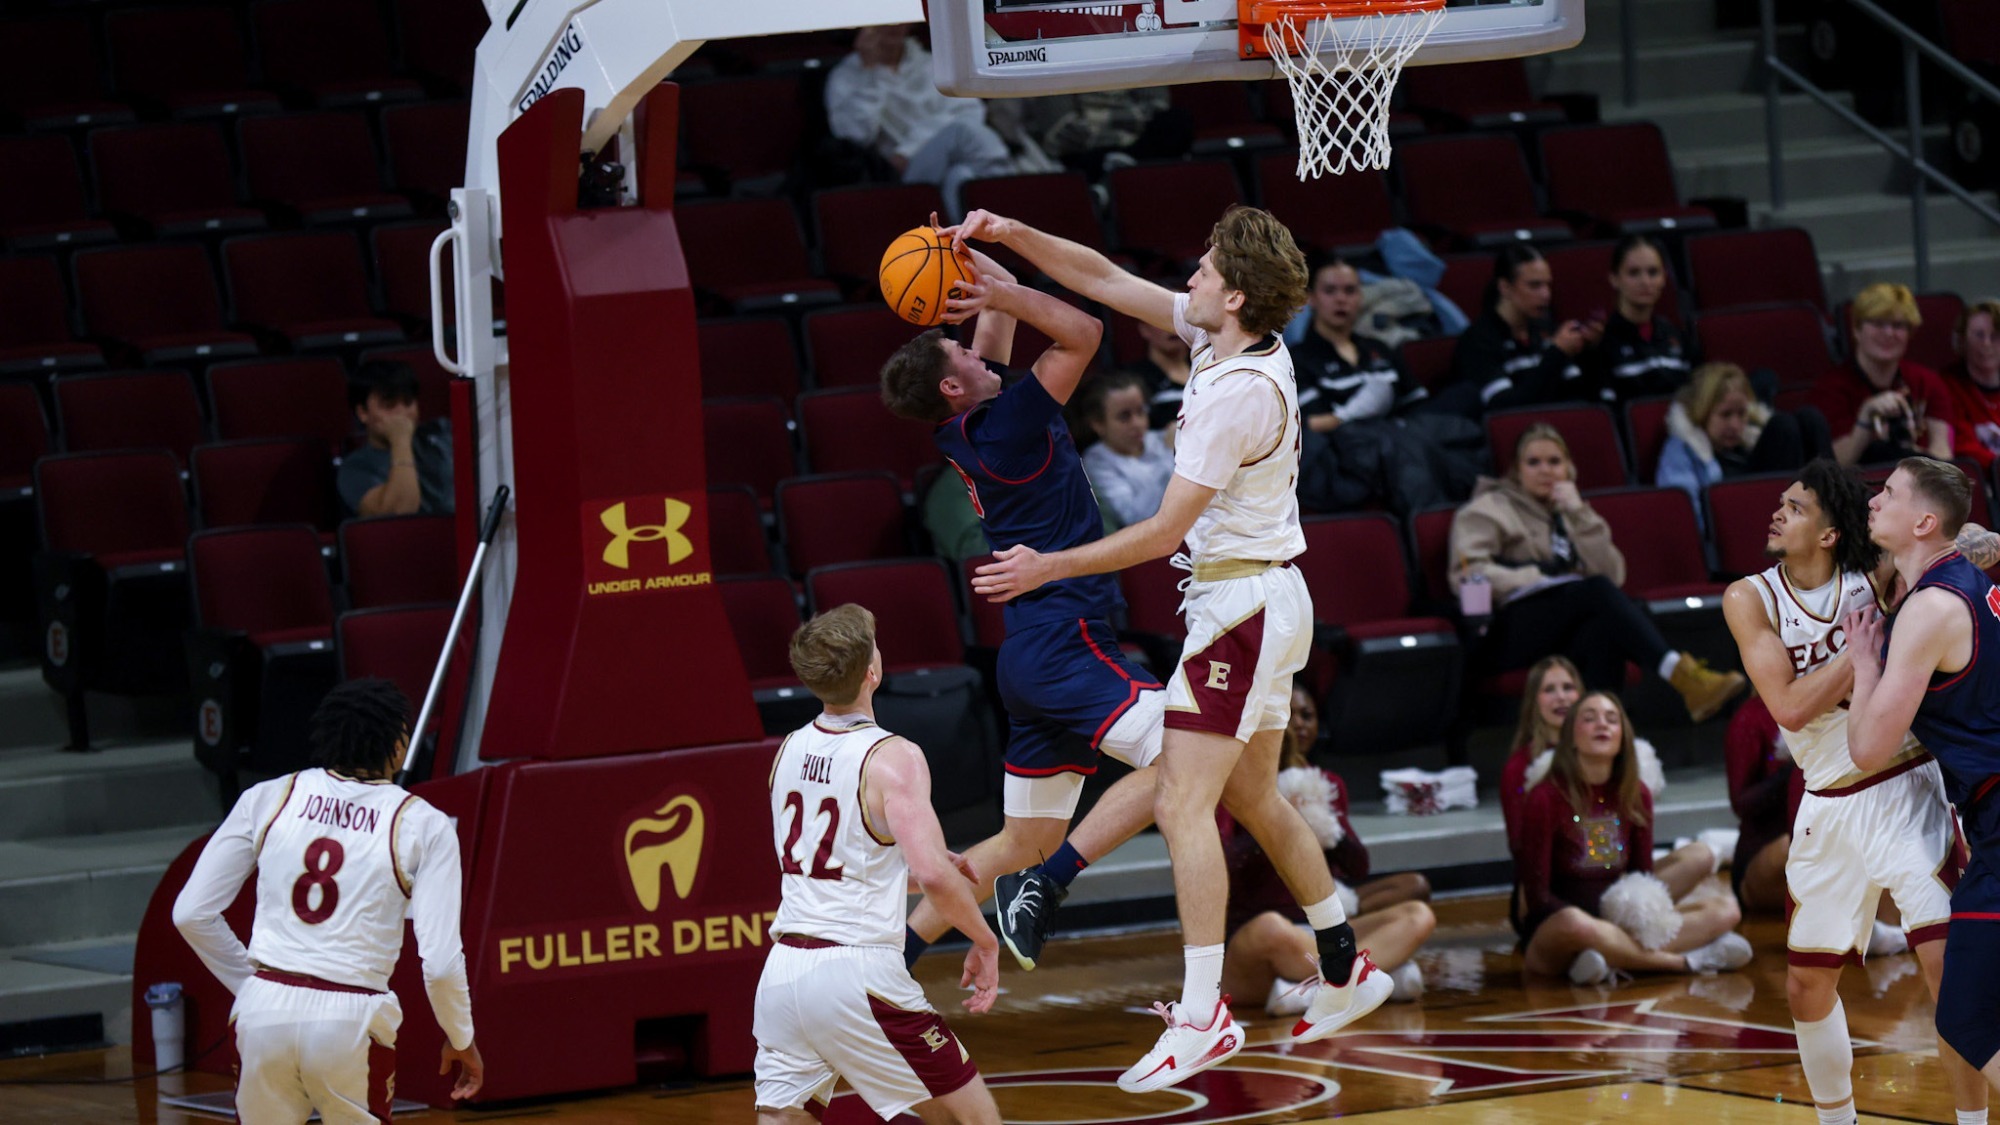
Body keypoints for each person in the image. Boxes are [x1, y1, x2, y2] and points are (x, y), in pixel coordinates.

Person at [953, 203, 1390, 1093]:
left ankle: (1202, 1015)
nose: (1187, 275)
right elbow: (1106, 280)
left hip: (1241, 605)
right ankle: (1345, 964)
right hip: (1261, 595)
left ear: (1232, 292)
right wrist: (1012, 237)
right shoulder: (1220, 334)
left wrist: (1047, 567)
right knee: (1257, 795)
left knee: (1187, 805)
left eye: (1201, 267)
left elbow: (1160, 532)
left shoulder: (1237, 394)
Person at [880, 248, 1162, 975]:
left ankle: (895, 956)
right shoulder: (1008, 424)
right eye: (962, 349)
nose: (980, 348)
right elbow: (1083, 332)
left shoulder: (968, 422)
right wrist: (1008, 287)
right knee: (1193, 751)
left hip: (1029, 654)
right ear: (953, 383)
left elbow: (990, 337)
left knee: (1017, 838)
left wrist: (976, 263)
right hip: (1068, 641)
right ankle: (1051, 882)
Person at [1723, 457, 1988, 1125]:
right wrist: (1868, 647)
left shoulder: (1879, 573)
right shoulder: (1750, 597)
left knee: (1947, 975)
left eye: (1796, 505)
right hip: (1829, 801)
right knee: (1806, 984)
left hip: (1906, 786)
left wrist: (1956, 561)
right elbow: (1786, 705)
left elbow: (1969, 536)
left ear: (1830, 532)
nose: (1777, 512)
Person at [173, 679, 482, 1122]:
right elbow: (439, 962)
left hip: (263, 1008)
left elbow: (190, 913)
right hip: (350, 1019)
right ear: (398, 743)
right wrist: (461, 1035)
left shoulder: (268, 796)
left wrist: (255, 986)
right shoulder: (424, 825)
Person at [752, 604, 1001, 1125]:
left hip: (782, 973)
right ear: (873, 672)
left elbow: (830, 862)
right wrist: (984, 939)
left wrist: (899, 864)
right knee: (973, 1120)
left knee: (784, 1119)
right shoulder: (894, 757)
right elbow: (935, 876)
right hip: (855, 971)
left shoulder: (786, 750)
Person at [1849, 457, 2000, 1095]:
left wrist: (1863, 665)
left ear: (1925, 520)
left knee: (1967, 1017)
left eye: (1889, 493)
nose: (1874, 501)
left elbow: (1868, 748)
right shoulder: (1967, 580)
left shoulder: (1930, 608)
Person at [1448, 422, 1747, 719]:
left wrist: (1579, 514)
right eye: (1533, 462)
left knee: (1604, 631)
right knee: (1594, 592)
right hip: (1501, 632)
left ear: (1568, 468)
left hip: (1561, 626)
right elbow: (1468, 573)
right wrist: (1538, 579)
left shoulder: (1570, 511)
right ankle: (1680, 674)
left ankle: (1595, 735)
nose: (1545, 470)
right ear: (1516, 469)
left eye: (1554, 461)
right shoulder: (1487, 509)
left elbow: (1613, 574)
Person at [1515, 690, 1753, 984]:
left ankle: (1608, 960)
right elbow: (1538, 897)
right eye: (1589, 719)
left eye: (1611, 720)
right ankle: (1685, 962)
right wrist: (1598, 929)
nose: (1602, 725)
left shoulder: (1636, 793)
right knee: (1575, 924)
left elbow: (1641, 878)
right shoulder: (1545, 798)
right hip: (1557, 932)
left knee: (1725, 910)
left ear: (1623, 737)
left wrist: (1627, 925)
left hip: (1617, 924)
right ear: (1571, 737)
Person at [1221, 728, 1435, 1016]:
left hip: (1324, 930)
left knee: (1417, 916)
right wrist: (1273, 824)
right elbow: (1223, 866)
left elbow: (1358, 866)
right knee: (1270, 928)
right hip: (1262, 935)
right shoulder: (1226, 789)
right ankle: (1374, 978)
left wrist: (1326, 825)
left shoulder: (1319, 782)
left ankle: (1314, 990)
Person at [1499, 656, 1719, 895]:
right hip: (1558, 887)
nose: (1561, 697)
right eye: (1549, 690)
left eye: (1568, 687)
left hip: (1614, 881)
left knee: (1700, 858)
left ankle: (1620, 921)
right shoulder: (1520, 767)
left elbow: (1636, 849)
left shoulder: (1611, 753)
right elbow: (1520, 847)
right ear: (1533, 701)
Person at [824, 26, 1019, 217]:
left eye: (899, 18)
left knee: (960, 175)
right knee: (963, 132)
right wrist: (870, 73)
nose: (893, 25)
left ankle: (964, 242)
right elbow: (853, 136)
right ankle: (1018, 202)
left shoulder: (930, 63)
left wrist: (909, 148)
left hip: (933, 158)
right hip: (899, 173)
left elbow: (970, 111)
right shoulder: (845, 76)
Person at [1439, 244, 1594, 416]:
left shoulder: (1548, 331)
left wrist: (1591, 351)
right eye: (1535, 285)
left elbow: (1580, 397)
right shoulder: (1478, 341)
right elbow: (1507, 410)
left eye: (1547, 285)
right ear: (1505, 287)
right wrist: (1556, 354)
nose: (1546, 294)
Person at [1814, 282, 1955, 467]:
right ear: (1856, 329)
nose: (1888, 333)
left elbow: (1945, 457)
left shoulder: (1927, 382)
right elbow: (1834, 466)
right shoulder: (1830, 389)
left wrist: (1907, 450)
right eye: (1878, 323)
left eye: (1898, 325)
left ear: (1910, 333)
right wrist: (1865, 419)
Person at [1657, 362, 1811, 531]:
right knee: (1783, 426)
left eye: (1741, 414)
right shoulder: (1682, 450)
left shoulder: (1750, 439)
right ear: (1702, 412)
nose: (1735, 424)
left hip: (1770, 516)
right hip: (1731, 528)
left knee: (1810, 420)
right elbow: (1684, 516)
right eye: (1726, 414)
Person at [1291, 256, 1417, 434]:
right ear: (1310, 298)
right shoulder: (1296, 360)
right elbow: (1306, 427)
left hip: (1402, 444)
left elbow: (1417, 404)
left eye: (1350, 290)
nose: (1341, 299)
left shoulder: (1379, 348)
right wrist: (1348, 414)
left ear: (1360, 296)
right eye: (1330, 291)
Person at [1578, 235, 1695, 405]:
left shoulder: (1677, 335)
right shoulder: (1601, 342)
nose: (1645, 282)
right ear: (1614, 279)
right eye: (1634, 273)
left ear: (1664, 278)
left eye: (1653, 272)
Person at [340, 359, 454, 518]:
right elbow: (401, 513)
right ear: (362, 413)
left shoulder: (444, 434)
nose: (402, 414)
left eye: (408, 403)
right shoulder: (355, 468)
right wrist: (400, 440)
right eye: (389, 405)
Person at [1724, 693, 1797, 917]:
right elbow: (1741, 803)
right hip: (1760, 861)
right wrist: (1792, 771)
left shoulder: (1832, 706)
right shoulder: (1749, 718)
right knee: (1800, 842)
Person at [1078, 370, 1176, 527]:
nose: (1137, 423)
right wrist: (1172, 456)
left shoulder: (1161, 439)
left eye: (1141, 411)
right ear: (1098, 424)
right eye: (1124, 417)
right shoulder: (1096, 462)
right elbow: (1136, 517)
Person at [1942, 298, 2000, 470]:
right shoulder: (1947, 385)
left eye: (1995, 336)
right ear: (1962, 340)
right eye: (1979, 335)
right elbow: (1964, 448)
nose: (1987, 344)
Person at [1128, 310, 1194, 430]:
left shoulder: (1212, 369)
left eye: (1179, 319)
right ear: (1144, 329)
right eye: (1162, 320)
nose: (1172, 326)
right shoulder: (1132, 380)